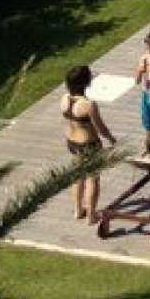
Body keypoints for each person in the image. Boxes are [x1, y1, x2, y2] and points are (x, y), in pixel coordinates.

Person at [60, 66, 115, 221]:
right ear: (86, 83)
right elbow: (100, 128)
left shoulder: (64, 99)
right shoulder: (88, 105)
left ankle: (78, 210)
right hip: (89, 144)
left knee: (78, 176)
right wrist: (111, 139)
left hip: (72, 142)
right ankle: (91, 214)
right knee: (93, 178)